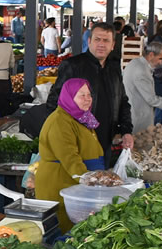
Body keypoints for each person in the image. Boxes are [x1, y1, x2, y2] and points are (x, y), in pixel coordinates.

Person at [43, 22, 133, 166]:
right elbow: (54, 103)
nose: (101, 44)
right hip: (78, 144)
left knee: (100, 184)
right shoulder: (73, 66)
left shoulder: (114, 69)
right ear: (89, 41)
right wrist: (62, 139)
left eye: (106, 40)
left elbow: (123, 102)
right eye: (97, 39)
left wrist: (126, 131)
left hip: (106, 142)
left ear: (113, 45)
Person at [36, 79, 106, 232]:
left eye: (89, 95)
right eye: (81, 95)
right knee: (62, 231)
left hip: (75, 183)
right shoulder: (60, 122)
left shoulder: (80, 118)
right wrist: (91, 182)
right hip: (60, 184)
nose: (87, 99)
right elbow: (70, 158)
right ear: (69, 97)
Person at [123, 41, 162, 134]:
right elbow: (152, 99)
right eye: (160, 59)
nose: (160, 62)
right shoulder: (141, 70)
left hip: (136, 113)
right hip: (138, 117)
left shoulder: (137, 63)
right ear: (151, 55)